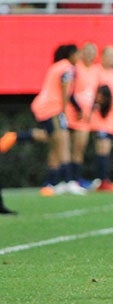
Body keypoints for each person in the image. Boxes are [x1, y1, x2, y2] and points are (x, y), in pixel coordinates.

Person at [0, 44, 85, 195]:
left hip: (44, 106)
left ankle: (50, 183)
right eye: (77, 54)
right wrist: (64, 113)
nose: (79, 57)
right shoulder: (67, 67)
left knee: (53, 143)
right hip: (52, 108)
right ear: (71, 54)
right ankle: (68, 181)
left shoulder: (57, 66)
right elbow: (65, 91)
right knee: (62, 143)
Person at [65, 42, 100, 189]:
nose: (89, 54)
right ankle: (64, 179)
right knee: (65, 147)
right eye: (87, 51)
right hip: (71, 112)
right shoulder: (75, 68)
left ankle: (75, 179)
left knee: (80, 148)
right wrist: (77, 108)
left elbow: (93, 94)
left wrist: (91, 110)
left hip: (85, 116)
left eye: (93, 51)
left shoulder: (95, 70)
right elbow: (69, 91)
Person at [89, 46, 113, 192]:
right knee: (101, 147)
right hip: (99, 117)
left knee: (107, 149)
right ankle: (100, 179)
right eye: (109, 56)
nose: (111, 59)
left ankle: (104, 179)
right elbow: (93, 92)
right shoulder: (96, 71)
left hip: (111, 118)